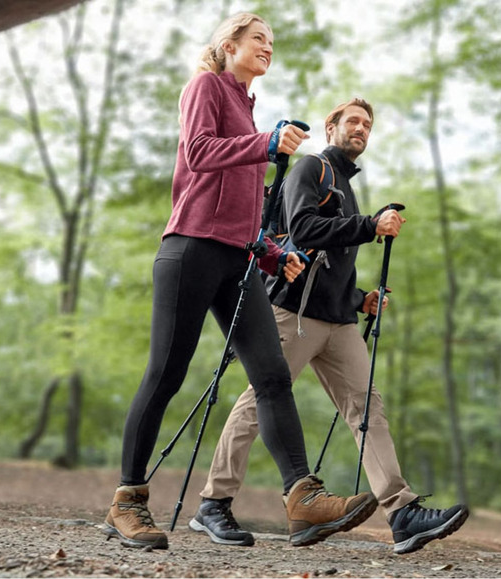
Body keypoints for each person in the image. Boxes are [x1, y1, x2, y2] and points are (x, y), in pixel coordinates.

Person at [102, 14, 378, 551]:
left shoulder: (252, 113)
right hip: (190, 249)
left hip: (238, 260)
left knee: (273, 375)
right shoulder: (206, 87)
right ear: (228, 45)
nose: (268, 48)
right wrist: (265, 143)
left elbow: (247, 210)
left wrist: (272, 251)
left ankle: (302, 499)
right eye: (259, 39)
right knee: (166, 374)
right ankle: (127, 501)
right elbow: (199, 153)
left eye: (273, 43)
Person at [190, 98, 469, 554]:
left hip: (337, 321)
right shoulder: (311, 169)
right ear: (331, 126)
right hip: (292, 313)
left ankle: (402, 513)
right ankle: (214, 502)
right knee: (259, 402)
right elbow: (303, 229)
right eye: (352, 121)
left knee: (367, 408)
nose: (361, 128)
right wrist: (369, 226)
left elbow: (332, 265)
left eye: (367, 124)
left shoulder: (345, 183)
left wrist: (361, 299)